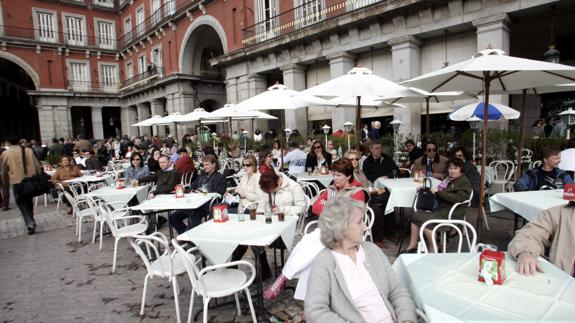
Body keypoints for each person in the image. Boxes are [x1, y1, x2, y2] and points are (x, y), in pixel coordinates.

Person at [263, 159, 368, 301]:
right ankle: (292, 286)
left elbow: (351, 216)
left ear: (348, 176)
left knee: (312, 245)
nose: (334, 178)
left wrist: (329, 207)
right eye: (333, 175)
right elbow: (315, 207)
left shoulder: (358, 192)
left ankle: (283, 280)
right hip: (327, 230)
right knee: (307, 247)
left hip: (345, 234)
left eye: (338, 175)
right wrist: (335, 209)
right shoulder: (331, 190)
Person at [305, 197, 416, 323]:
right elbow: (315, 311)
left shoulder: (372, 250)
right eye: (359, 222)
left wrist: (407, 319)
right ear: (341, 228)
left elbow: (398, 291)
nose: (365, 226)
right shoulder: (324, 262)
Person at [403, 158, 472, 253]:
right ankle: (412, 246)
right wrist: (425, 190)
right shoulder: (448, 179)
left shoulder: (463, 181)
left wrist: (439, 193)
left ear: (461, 169)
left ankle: (434, 248)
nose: (452, 171)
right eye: (450, 168)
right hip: (441, 209)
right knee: (415, 216)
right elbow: (438, 190)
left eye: (455, 168)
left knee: (426, 222)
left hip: (452, 212)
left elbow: (458, 198)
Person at [508, 185, 575, 276]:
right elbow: (530, 234)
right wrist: (525, 252)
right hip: (564, 281)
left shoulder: (561, 174)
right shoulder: (559, 214)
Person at [168, 155, 226, 233]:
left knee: (194, 214)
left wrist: (204, 193)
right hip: (193, 203)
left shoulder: (220, 177)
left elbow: (220, 193)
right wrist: (188, 191)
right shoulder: (202, 176)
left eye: (207, 164)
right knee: (173, 217)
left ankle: (194, 237)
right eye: (204, 165)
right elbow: (191, 187)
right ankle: (187, 236)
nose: (205, 167)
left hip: (206, 205)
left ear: (214, 164)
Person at [1, 136, 43, 234]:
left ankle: (30, 223)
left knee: (21, 203)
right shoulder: (28, 150)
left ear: (8, 142)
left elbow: (3, 171)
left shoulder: (6, 154)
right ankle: (31, 220)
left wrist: (5, 183)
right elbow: (37, 166)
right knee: (29, 201)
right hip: (30, 180)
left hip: (17, 182)